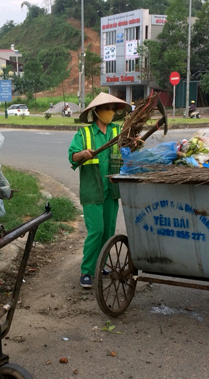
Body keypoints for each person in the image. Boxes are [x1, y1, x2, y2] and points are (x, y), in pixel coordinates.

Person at [68, 92, 131, 288]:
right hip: (92, 189)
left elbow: (128, 149)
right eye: (107, 109)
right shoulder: (84, 134)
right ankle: (86, 271)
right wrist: (82, 154)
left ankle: (101, 265)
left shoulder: (117, 131)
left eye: (113, 109)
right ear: (96, 112)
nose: (111, 113)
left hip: (111, 190)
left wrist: (133, 144)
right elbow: (72, 156)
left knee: (108, 231)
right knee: (96, 230)